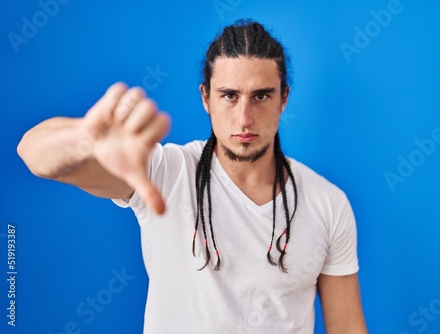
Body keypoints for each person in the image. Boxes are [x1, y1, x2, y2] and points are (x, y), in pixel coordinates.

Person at [18, 19, 367, 333]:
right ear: (206, 98)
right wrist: (87, 137)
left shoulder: (327, 203)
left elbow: (348, 327)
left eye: (261, 96)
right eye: (229, 96)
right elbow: (34, 154)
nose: (244, 118)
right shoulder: (165, 172)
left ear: (283, 100)